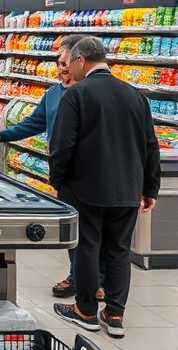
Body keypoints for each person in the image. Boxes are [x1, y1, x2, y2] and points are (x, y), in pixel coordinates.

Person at [50, 37, 160, 338]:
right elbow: (151, 146)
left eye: (69, 61)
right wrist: (150, 188)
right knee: (118, 251)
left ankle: (85, 311)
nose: (68, 67)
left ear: (81, 60)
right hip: (126, 189)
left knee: (87, 247)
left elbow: (62, 146)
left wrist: (58, 181)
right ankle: (114, 315)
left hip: (85, 188)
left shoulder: (76, 95)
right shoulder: (136, 96)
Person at [0, 35, 102, 300]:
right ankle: (80, 276)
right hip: (66, 172)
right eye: (59, 63)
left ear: (79, 62)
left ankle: (95, 282)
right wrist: (1, 136)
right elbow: (35, 123)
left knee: (95, 233)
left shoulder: (89, 94)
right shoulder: (53, 94)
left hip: (91, 172)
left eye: (66, 63)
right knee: (77, 230)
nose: (62, 68)